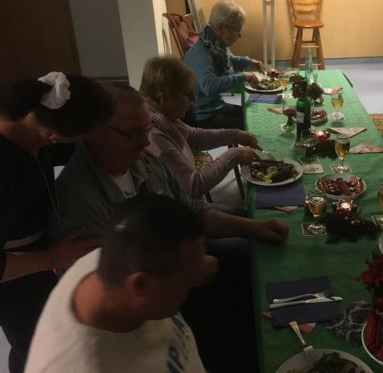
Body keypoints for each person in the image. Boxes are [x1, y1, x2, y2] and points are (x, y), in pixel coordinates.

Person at [52, 82, 287, 371]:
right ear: (96, 132)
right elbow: (114, 294)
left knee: (258, 251)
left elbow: (194, 211)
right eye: (133, 133)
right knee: (243, 283)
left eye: (146, 129)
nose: (145, 141)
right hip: (154, 304)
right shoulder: (79, 203)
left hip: (178, 264)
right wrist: (187, 270)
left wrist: (253, 227)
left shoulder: (141, 158)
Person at [0, 72, 113, 373]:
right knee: (37, 344)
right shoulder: (7, 168)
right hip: (13, 278)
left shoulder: (31, 119)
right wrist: (51, 257)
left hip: (35, 254)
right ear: (54, 135)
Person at [25, 193, 213, 372]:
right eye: (187, 279)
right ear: (140, 286)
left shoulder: (113, 260)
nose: (196, 281)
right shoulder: (83, 366)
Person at [140, 56, 258, 200]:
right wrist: (235, 154)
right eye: (187, 94)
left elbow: (194, 137)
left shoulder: (165, 119)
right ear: (165, 99)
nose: (194, 99)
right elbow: (193, 185)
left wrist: (236, 135)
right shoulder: (156, 138)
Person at [184, 0, 265, 129]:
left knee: (256, 112)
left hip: (217, 105)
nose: (240, 36)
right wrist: (242, 77)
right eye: (237, 31)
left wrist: (249, 62)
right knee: (254, 127)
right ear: (221, 29)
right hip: (205, 117)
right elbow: (210, 86)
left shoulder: (215, 43)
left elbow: (230, 60)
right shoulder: (202, 53)